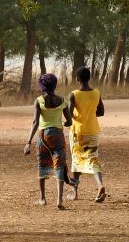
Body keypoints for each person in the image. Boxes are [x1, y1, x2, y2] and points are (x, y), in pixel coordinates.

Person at [24, 73, 77, 209]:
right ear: (55, 85)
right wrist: (64, 124)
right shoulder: (63, 101)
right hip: (58, 135)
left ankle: (43, 198)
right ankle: (59, 200)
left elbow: (35, 122)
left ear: (42, 86)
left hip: (43, 136)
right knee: (59, 165)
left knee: (42, 164)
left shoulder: (39, 101)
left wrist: (28, 142)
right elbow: (69, 121)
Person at [67, 66, 106, 203]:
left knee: (76, 161)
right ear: (89, 77)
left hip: (78, 132)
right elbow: (101, 112)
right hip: (93, 131)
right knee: (93, 159)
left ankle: (75, 192)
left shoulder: (74, 94)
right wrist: (89, 114)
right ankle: (100, 185)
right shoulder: (96, 93)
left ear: (77, 78)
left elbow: (69, 114)